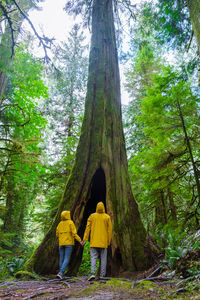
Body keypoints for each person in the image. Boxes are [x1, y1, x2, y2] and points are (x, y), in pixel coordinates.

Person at [82, 201, 112, 281]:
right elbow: (109, 231)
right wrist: (108, 241)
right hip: (103, 242)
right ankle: (102, 275)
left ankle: (92, 274)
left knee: (93, 257)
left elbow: (87, 228)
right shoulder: (107, 217)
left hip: (94, 242)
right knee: (103, 258)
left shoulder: (92, 216)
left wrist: (85, 239)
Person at [56, 210, 83, 279]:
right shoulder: (70, 223)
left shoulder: (60, 224)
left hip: (61, 244)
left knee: (61, 259)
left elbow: (57, 234)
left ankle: (61, 274)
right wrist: (80, 240)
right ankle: (61, 273)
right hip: (68, 243)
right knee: (66, 259)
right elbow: (74, 234)